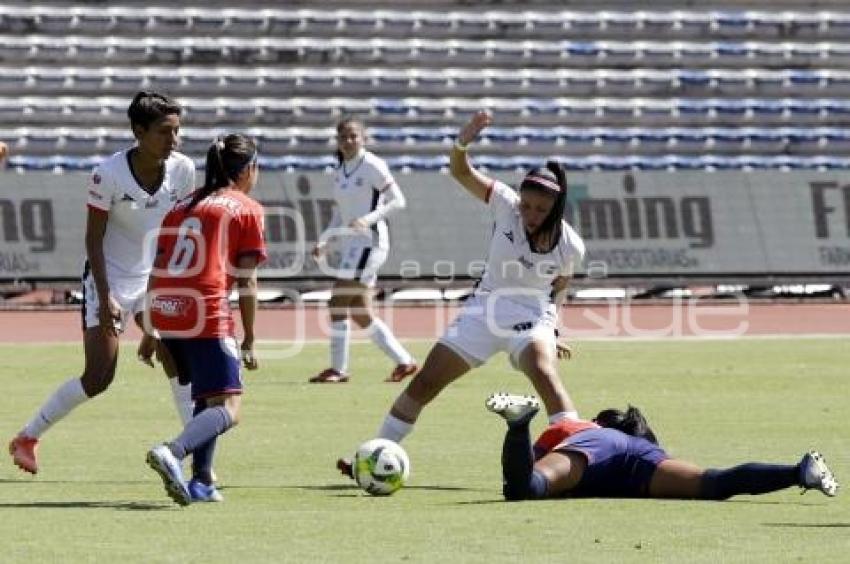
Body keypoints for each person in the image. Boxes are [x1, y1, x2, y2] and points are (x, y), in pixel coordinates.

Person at [337, 110, 585, 477]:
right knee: (425, 382)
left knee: (545, 373)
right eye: (528, 204)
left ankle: (580, 458)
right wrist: (462, 141)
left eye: (541, 209)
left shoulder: (571, 245)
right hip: (483, 311)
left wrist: (553, 329)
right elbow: (460, 171)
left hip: (531, 317)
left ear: (556, 209)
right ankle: (373, 457)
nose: (531, 213)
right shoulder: (505, 204)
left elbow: (559, 288)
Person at [8, 91, 196, 475]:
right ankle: (27, 436)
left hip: (153, 278)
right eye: (164, 132)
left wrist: (167, 292)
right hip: (106, 277)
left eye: (177, 131)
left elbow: (178, 233)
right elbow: (93, 239)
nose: (174, 140)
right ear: (138, 131)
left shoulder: (183, 169)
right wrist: (108, 297)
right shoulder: (107, 174)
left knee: (178, 354)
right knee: (98, 377)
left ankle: (195, 450)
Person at [141, 134, 265, 505]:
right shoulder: (245, 208)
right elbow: (247, 280)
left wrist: (149, 329)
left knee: (206, 397)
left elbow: (156, 267)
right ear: (248, 170)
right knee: (228, 407)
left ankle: (201, 483)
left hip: (167, 309)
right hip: (205, 310)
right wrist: (250, 337)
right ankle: (173, 451)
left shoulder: (180, 206)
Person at [486, 392, 838, 501]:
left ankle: (519, 422)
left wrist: (524, 446)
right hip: (640, 462)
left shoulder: (580, 429)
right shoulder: (639, 444)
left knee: (524, 488)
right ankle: (799, 471)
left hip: (597, 451)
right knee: (715, 483)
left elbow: (526, 469)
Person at [309, 116, 417, 383]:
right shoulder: (341, 169)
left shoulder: (372, 165)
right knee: (360, 312)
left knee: (336, 302)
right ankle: (405, 361)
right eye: (343, 136)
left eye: (353, 136)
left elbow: (398, 200)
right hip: (352, 246)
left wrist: (368, 219)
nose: (348, 141)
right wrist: (326, 239)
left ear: (363, 138)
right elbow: (340, 213)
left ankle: (338, 369)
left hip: (370, 243)